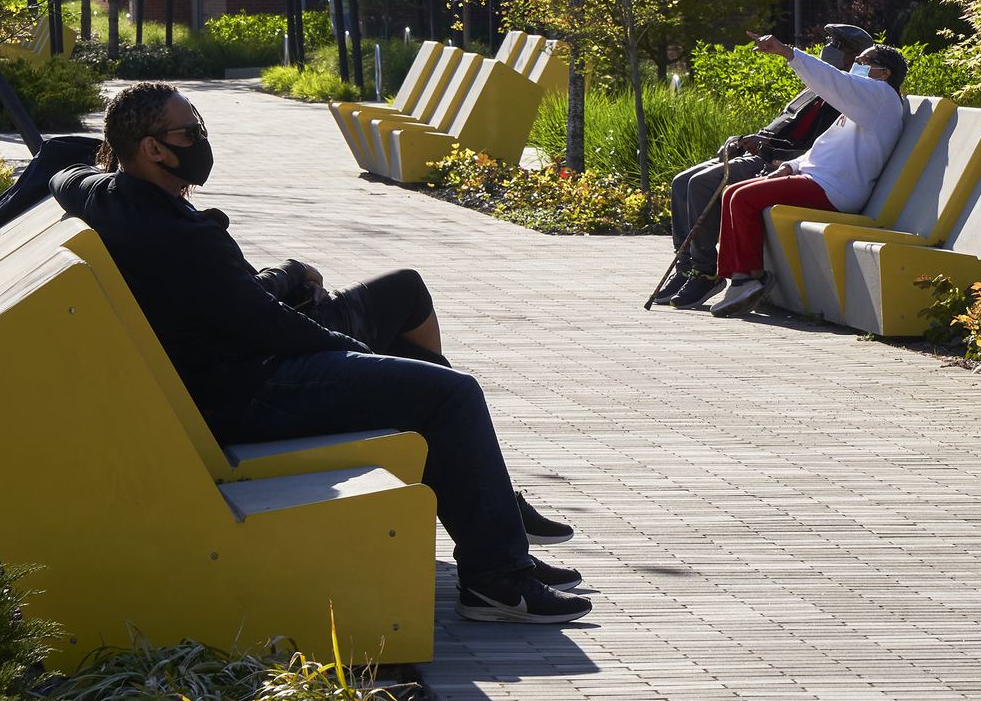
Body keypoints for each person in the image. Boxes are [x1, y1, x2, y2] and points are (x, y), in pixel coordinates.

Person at [36, 82, 592, 625]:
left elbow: (67, 174)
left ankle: (497, 538)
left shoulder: (114, 197)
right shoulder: (178, 235)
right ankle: (495, 575)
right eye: (189, 130)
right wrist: (355, 354)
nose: (200, 138)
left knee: (425, 378)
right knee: (451, 393)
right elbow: (273, 328)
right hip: (247, 392)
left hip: (227, 373)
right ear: (153, 149)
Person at [655, 23, 875, 309]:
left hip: (775, 160)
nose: (829, 48)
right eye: (830, 41)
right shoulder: (813, 88)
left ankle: (705, 271)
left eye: (839, 45)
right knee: (681, 181)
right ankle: (685, 266)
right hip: (757, 152)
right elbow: (781, 126)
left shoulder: (845, 98)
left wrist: (769, 149)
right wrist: (746, 140)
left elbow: (816, 149)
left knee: (702, 183)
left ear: (854, 57)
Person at [694, 40, 909, 317]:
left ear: (884, 73)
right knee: (733, 192)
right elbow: (825, 147)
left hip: (835, 189)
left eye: (864, 62)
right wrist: (792, 166)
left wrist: (789, 53)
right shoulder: (867, 103)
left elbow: (833, 80)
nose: (856, 65)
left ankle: (748, 278)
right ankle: (742, 276)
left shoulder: (881, 97)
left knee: (743, 198)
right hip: (816, 178)